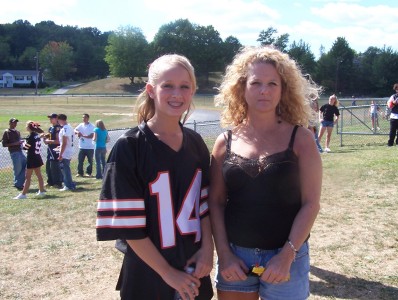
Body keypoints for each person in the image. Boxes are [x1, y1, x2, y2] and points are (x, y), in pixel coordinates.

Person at [96, 54, 214, 300]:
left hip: (193, 267)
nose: (177, 94)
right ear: (151, 90)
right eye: (167, 86)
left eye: (184, 86)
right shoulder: (130, 147)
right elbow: (129, 226)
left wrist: (207, 250)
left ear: (193, 91)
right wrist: (168, 273)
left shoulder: (195, 143)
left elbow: (203, 205)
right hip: (148, 273)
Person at [209, 46, 322, 300]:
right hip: (235, 258)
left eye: (272, 83)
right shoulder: (224, 141)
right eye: (256, 82)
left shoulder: (301, 139)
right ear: (242, 87)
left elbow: (311, 204)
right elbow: (215, 203)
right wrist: (225, 255)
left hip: (288, 257)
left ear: (284, 89)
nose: (264, 90)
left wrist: (287, 255)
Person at [13, 121, 46, 199]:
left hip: (32, 158)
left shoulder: (30, 137)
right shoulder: (36, 135)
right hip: (37, 157)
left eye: (26, 126)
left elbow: (26, 147)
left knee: (28, 177)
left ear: (29, 128)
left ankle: (23, 194)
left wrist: (23, 143)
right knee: (39, 175)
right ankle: (41, 191)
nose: (25, 127)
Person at [2, 118, 27, 190]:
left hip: (20, 151)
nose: (15, 124)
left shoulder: (17, 132)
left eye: (16, 123)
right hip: (14, 152)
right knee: (18, 168)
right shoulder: (7, 132)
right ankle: (18, 184)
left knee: (23, 166)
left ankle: (19, 183)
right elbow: (4, 144)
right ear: (9, 123)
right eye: (13, 122)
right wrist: (15, 143)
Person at [42, 113, 63, 188]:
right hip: (50, 150)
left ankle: (57, 182)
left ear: (56, 118)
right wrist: (45, 136)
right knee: (48, 166)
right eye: (50, 118)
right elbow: (50, 135)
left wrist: (48, 141)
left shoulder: (58, 128)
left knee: (54, 166)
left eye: (52, 118)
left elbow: (58, 141)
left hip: (55, 150)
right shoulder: (51, 128)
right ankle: (50, 181)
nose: (50, 119)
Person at [57, 114, 76, 191]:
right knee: (65, 168)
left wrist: (60, 154)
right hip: (68, 149)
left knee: (65, 168)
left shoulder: (65, 128)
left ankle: (68, 185)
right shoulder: (69, 127)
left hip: (66, 151)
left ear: (61, 120)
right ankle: (69, 183)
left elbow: (64, 142)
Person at [74, 113, 95, 177]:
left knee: (90, 161)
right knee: (80, 160)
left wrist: (83, 136)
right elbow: (75, 130)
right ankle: (80, 172)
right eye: (83, 117)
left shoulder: (92, 126)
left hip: (90, 147)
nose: (84, 119)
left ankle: (88, 173)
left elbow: (91, 136)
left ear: (88, 118)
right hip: (82, 146)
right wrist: (78, 132)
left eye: (85, 117)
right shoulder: (81, 125)